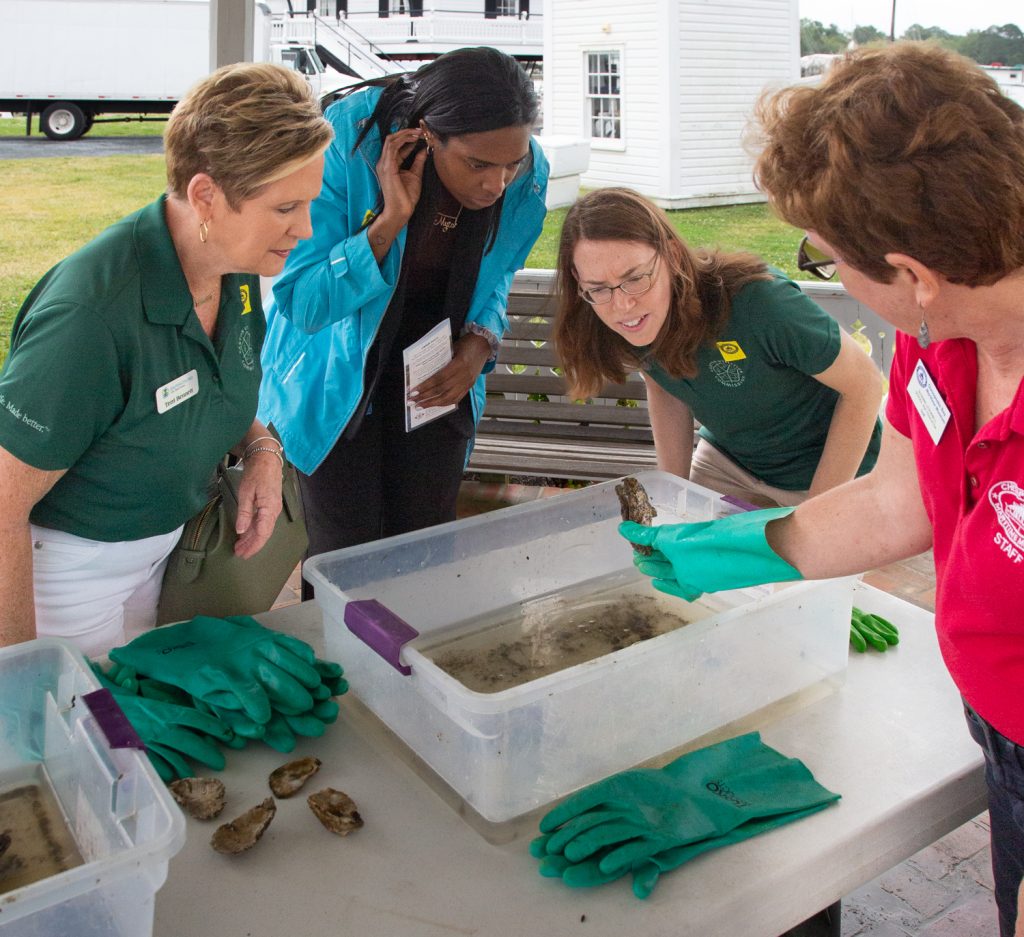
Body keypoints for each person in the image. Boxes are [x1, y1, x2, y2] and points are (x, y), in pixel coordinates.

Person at [620, 42, 1024, 937]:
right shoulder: (940, 332)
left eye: (830, 260)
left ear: (912, 274)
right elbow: (898, 501)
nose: (827, 277)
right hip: (998, 714)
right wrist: (723, 549)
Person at [0, 63, 333, 655]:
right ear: (206, 195)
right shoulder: (91, 316)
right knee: (81, 734)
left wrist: (261, 448)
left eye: (309, 204)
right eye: (285, 208)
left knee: (144, 722)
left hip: (163, 551)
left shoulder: (235, 269)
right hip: (70, 577)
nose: (305, 229)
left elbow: (207, 381)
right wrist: (20, 676)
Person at [257, 47, 548, 578]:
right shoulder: (345, 143)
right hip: (334, 385)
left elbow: (498, 273)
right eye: (478, 164)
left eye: (512, 163)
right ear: (429, 133)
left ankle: (413, 662)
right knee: (345, 559)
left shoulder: (528, 172)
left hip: (435, 385)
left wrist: (481, 339)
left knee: (427, 551)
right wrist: (389, 222)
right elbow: (302, 302)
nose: (496, 184)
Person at [554, 187, 884, 507]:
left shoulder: (759, 301)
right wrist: (673, 496)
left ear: (672, 254)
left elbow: (865, 384)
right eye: (599, 289)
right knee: (671, 555)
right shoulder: (615, 314)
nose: (623, 305)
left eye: (636, 278)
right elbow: (664, 387)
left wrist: (819, 510)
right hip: (730, 465)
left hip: (830, 476)